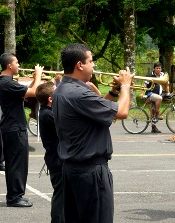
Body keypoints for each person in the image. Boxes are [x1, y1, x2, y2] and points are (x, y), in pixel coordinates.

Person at [52, 43, 132, 223]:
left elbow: (97, 110)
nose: (94, 65)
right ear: (80, 65)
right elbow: (122, 112)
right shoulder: (79, 93)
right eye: (91, 61)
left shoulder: (62, 90)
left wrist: (112, 92)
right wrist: (126, 86)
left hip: (72, 169)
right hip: (90, 171)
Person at [0, 53, 43, 207]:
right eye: (16, 62)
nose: (18, 64)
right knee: (17, 164)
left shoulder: (7, 82)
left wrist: (34, 80)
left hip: (13, 127)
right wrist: (38, 76)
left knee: (16, 164)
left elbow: (25, 92)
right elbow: (34, 92)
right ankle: (15, 197)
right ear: (9, 65)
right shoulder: (6, 83)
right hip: (14, 128)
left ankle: (15, 195)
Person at [35, 82, 64, 223]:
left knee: (64, 194)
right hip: (57, 159)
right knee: (61, 194)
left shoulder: (49, 111)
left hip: (57, 157)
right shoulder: (48, 114)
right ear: (50, 99)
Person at [139, 62, 169, 133]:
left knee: (152, 111)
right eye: (157, 68)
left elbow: (167, 84)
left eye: (159, 68)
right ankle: (157, 113)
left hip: (159, 94)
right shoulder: (150, 75)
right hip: (150, 93)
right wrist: (142, 93)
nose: (158, 69)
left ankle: (153, 127)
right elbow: (145, 85)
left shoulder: (163, 75)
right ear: (154, 69)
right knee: (159, 99)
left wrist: (168, 93)